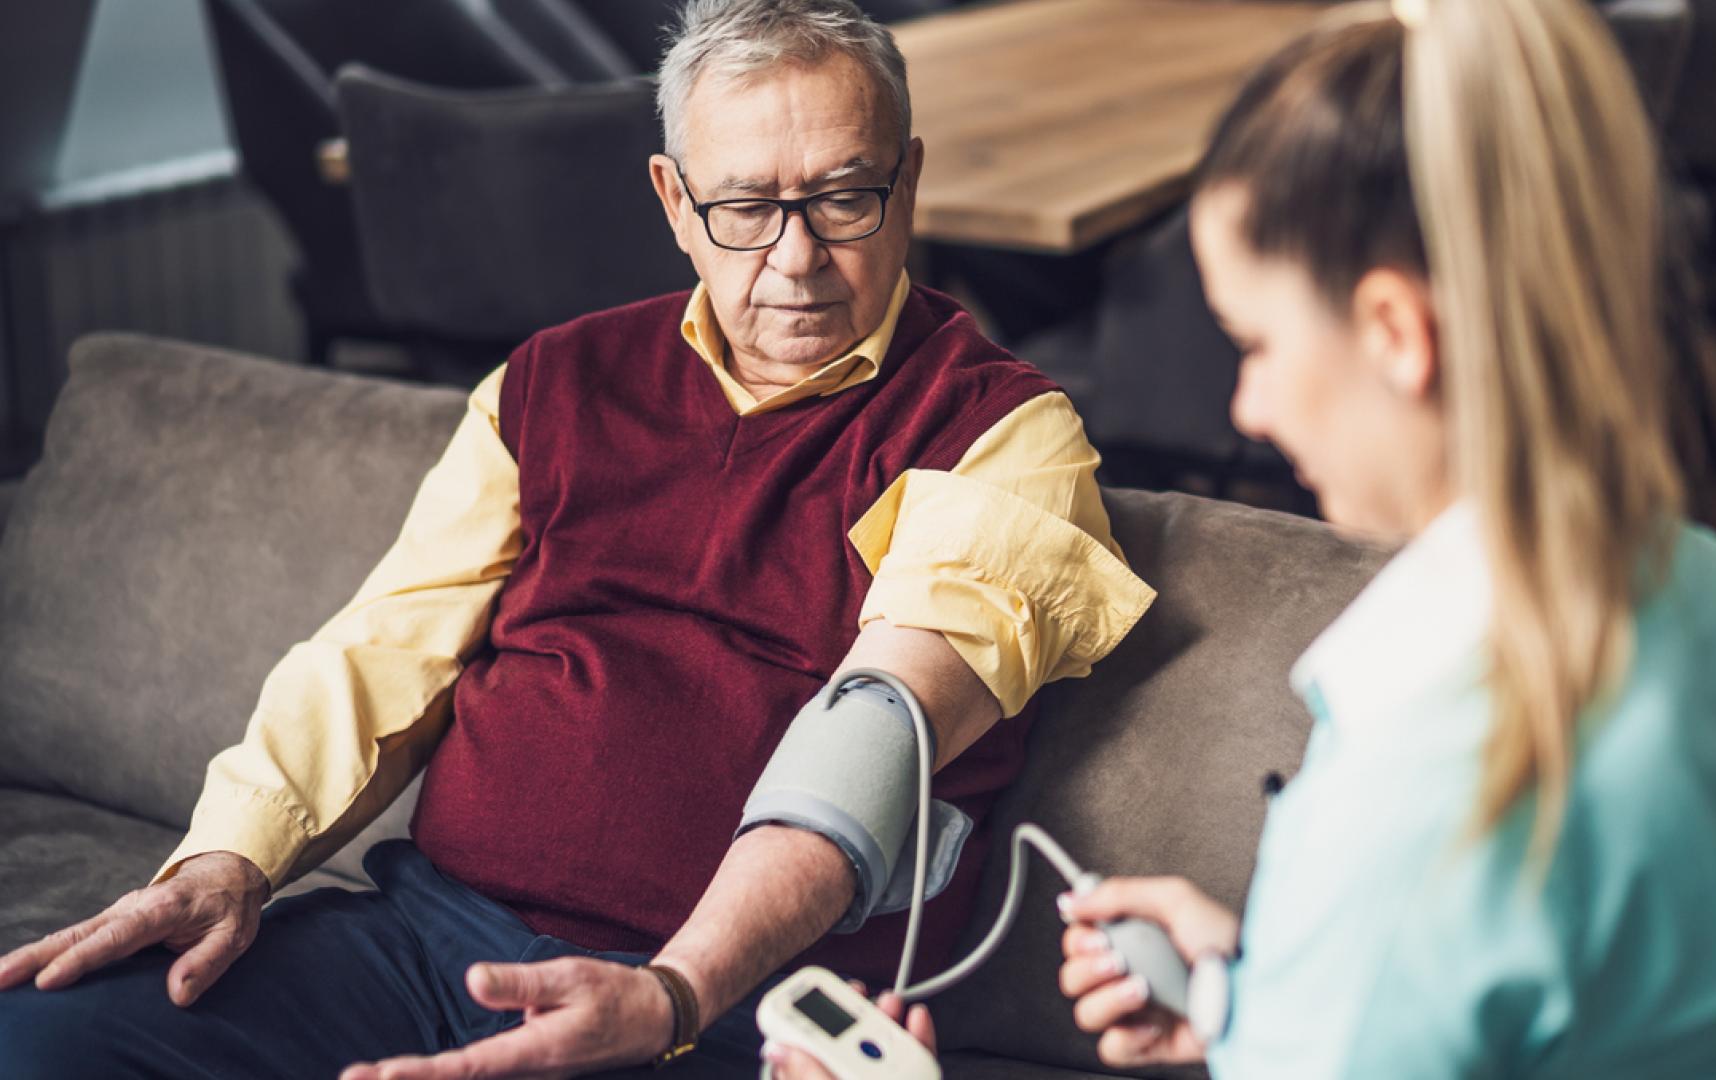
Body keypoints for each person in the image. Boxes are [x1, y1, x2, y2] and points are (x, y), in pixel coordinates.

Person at [0, 0, 1153, 1076]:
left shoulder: (1002, 432)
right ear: (672, 202)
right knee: (38, 1043)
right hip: (430, 938)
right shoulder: (550, 382)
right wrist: (227, 859)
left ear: (906, 185)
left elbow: (875, 737)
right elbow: (381, 651)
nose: (794, 259)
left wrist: (673, 993)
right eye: (744, 209)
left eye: (843, 198)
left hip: (743, 1006)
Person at [1043, 0, 1716, 1076]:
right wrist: (1256, 995)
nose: (1245, 407)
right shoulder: (1701, 591)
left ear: (1395, 333)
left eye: (1253, 344)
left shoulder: (1426, 773)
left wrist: (1298, 997)